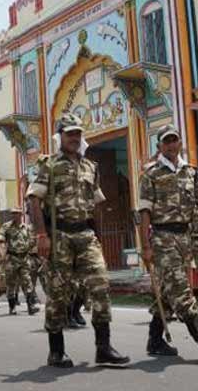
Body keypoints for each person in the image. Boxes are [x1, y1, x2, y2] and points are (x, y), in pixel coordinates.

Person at [28, 112, 129, 368]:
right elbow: (34, 200)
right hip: (59, 235)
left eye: (77, 133)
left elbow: (96, 204)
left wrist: (97, 235)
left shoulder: (90, 167)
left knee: (101, 284)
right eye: (69, 133)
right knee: (58, 293)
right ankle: (56, 351)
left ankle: (103, 348)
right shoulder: (49, 165)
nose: (74, 137)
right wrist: (42, 236)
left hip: (85, 235)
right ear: (60, 136)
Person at [139, 124, 198, 363]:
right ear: (159, 146)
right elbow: (144, 212)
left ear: (179, 143)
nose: (170, 145)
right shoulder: (151, 174)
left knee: (168, 292)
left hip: (185, 238)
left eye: (174, 140)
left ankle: (154, 340)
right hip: (162, 238)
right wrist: (145, 247)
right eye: (166, 141)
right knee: (180, 287)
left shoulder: (190, 172)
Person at [2, 207, 39, 316]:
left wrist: (28, 247)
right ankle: (12, 307)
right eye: (13, 213)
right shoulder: (6, 227)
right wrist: (2, 252)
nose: (15, 215)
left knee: (27, 281)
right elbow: (0, 238)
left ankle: (30, 306)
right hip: (12, 258)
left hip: (24, 258)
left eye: (17, 213)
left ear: (21, 215)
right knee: (11, 283)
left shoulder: (26, 228)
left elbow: (32, 240)